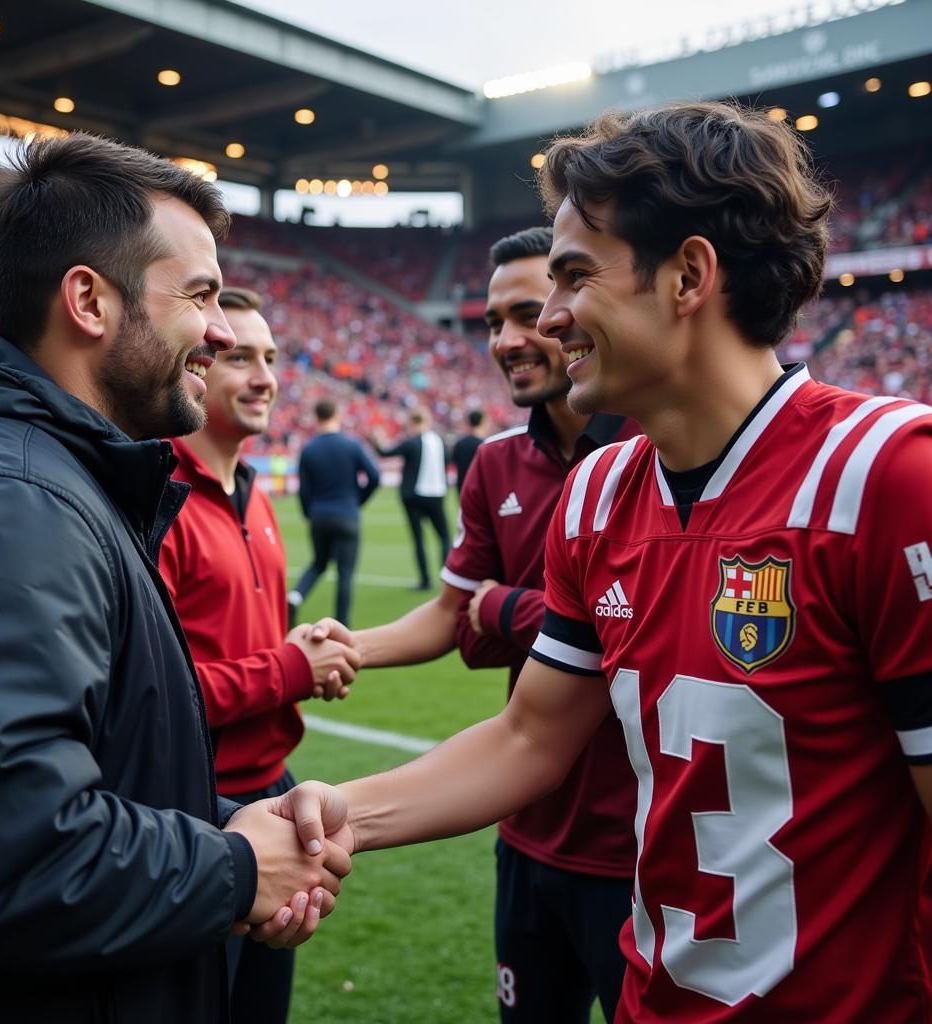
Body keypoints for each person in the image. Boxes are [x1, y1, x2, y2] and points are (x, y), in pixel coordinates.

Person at [263, 102, 932, 1021]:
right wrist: (333, 814)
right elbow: (530, 738)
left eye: (576, 276)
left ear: (689, 275)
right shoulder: (598, 493)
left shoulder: (891, 479)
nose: (549, 316)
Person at [0, 133, 349, 1024]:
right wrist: (233, 868)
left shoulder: (46, 478)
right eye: (200, 296)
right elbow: (6, 855)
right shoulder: (11, 503)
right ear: (88, 301)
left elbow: (85, 773)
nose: (222, 332)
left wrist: (224, 824)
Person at [350, 227, 639, 1022]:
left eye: (529, 311)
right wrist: (347, 649)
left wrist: (509, 609)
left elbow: (637, 624)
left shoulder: (663, 452)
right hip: (527, 823)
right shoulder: (496, 462)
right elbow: (456, 615)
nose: (513, 338)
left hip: (644, 850)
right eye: (491, 321)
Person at [158, 287, 361, 1023]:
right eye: (239, 357)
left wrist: (299, 652)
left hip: (275, 795)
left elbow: (247, 648)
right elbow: (151, 692)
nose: (265, 377)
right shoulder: (157, 499)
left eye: (271, 358)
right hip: (190, 806)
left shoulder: (256, 494)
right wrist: (289, 670)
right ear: (196, 366)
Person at [288, 397, 381, 627]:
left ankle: (295, 597)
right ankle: (342, 624)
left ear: (316, 417)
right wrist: (357, 500)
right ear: (337, 415)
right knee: (345, 572)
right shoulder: (352, 444)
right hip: (347, 514)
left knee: (319, 563)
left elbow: (303, 490)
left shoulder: (308, 449)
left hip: (319, 515)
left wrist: (310, 514)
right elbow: (375, 477)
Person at [373, 406, 450, 590]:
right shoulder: (439, 440)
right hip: (437, 494)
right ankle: (447, 578)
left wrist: (377, 439)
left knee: (418, 539)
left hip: (413, 495)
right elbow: (446, 462)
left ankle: (425, 580)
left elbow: (385, 452)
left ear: (412, 422)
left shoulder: (412, 442)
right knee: (445, 537)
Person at [451, 407, 487, 493]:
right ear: (482, 422)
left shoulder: (460, 443)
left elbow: (454, 463)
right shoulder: (485, 445)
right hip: (478, 487)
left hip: (462, 486)